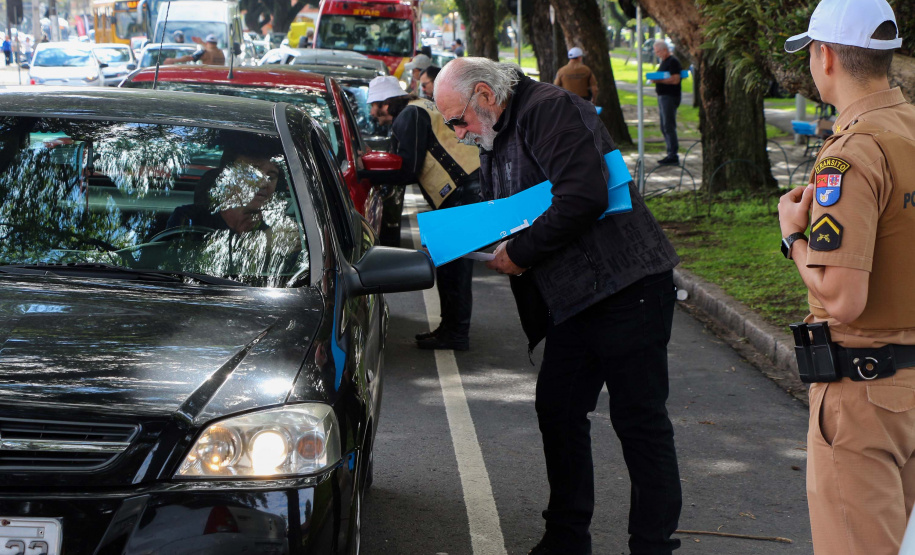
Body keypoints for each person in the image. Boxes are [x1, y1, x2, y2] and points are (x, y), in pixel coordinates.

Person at [434, 58, 682, 555]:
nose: (458, 133)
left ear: (485, 94)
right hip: (575, 297)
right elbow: (518, 204)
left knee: (639, 420)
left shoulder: (549, 109)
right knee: (559, 409)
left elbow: (582, 195)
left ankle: (652, 545)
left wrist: (520, 254)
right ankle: (567, 537)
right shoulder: (501, 126)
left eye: (458, 119)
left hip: (626, 286)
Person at [777, 1, 914, 554]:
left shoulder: (852, 154)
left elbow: (843, 296)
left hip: (866, 395)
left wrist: (793, 237)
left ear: (825, 56)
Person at [367, 75, 482, 351]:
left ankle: (456, 334)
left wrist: (368, 174)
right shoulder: (421, 106)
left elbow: (408, 168)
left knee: (455, 269)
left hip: (460, 191)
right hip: (466, 187)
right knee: (449, 266)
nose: (373, 115)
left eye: (374, 107)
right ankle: (449, 329)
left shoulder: (408, 116)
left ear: (385, 103)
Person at [652, 41, 682, 166]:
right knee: (664, 126)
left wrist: (658, 80)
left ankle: (673, 154)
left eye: (658, 51)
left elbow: (675, 80)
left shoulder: (673, 61)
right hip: (662, 96)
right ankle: (670, 152)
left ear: (664, 50)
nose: (656, 54)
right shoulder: (664, 62)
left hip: (670, 96)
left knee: (668, 125)